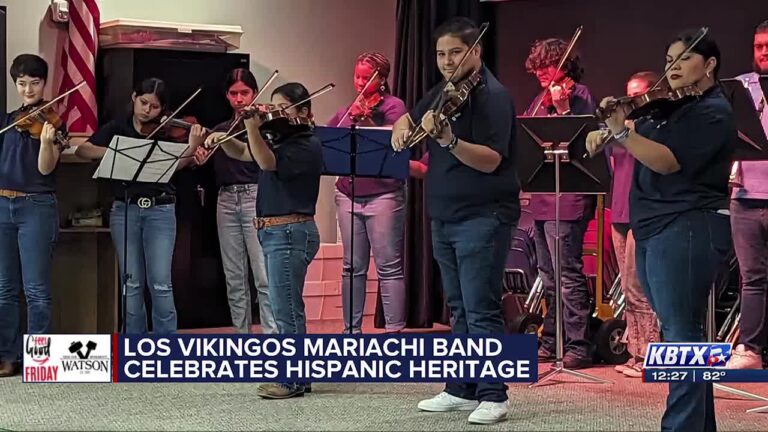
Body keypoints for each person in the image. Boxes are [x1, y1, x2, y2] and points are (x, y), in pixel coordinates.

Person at [587, 29, 734, 431]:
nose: (673, 67)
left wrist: (621, 132)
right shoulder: (665, 108)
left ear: (710, 65)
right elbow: (638, 141)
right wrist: (613, 131)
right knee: (680, 333)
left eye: (683, 59)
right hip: (654, 225)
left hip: (687, 224)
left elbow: (668, 162)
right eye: (669, 59)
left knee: (682, 336)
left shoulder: (713, 111)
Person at [391, 17, 519, 425]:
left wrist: (448, 140)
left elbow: (492, 159)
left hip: (484, 214)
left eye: (455, 53)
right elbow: (410, 117)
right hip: (445, 214)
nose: (447, 61)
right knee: (460, 308)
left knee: (481, 309)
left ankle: (494, 395)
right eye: (441, 54)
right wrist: (401, 126)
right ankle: (461, 388)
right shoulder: (443, 91)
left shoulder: (494, 97)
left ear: (475, 52)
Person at [212, 82, 322, 399]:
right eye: (271, 107)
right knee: (289, 308)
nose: (274, 113)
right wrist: (224, 142)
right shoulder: (282, 139)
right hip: (276, 231)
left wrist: (250, 125)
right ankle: (300, 376)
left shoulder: (306, 143)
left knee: (284, 309)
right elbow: (247, 153)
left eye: (282, 108)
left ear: (304, 112)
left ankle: (290, 380)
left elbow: (264, 161)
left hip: (289, 231)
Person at [75, 78, 204, 334]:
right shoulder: (118, 127)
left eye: (154, 107)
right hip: (125, 210)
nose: (147, 110)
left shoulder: (169, 130)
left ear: (163, 109)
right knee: (131, 282)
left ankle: (166, 348)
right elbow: (83, 150)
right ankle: (133, 346)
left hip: (161, 210)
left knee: (160, 283)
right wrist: (117, 151)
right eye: (143, 102)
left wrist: (192, 148)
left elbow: (177, 166)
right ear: (134, 97)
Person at [523, 38, 596, 369]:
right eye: (536, 66)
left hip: (567, 200)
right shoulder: (539, 99)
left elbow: (583, 146)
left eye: (546, 65)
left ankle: (579, 345)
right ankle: (552, 339)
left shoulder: (580, 96)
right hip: (541, 198)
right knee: (547, 276)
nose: (539, 72)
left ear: (564, 66)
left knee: (567, 274)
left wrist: (564, 109)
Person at [328, 52, 408, 334]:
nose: (360, 82)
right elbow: (331, 138)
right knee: (352, 266)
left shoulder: (394, 106)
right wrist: (351, 117)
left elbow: (396, 141)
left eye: (367, 77)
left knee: (388, 265)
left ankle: (394, 332)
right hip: (349, 194)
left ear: (382, 79)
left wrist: (370, 122)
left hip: (383, 195)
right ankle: (351, 331)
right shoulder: (351, 107)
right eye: (357, 76)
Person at [193, 68, 276, 335]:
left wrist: (257, 126)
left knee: (262, 275)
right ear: (227, 96)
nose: (239, 99)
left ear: (254, 93)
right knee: (234, 276)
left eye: (245, 93)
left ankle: (272, 337)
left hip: (255, 197)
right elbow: (204, 162)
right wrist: (200, 154)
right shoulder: (219, 130)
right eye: (233, 94)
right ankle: (242, 338)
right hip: (226, 200)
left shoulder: (263, 127)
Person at [0, 54, 65, 377]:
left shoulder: (52, 122)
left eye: (35, 83)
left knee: (36, 289)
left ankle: (38, 361)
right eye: (22, 83)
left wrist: (47, 142)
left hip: (36, 206)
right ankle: (8, 357)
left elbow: (45, 168)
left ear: (44, 83)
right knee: (4, 288)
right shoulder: (7, 120)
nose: (28, 89)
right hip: (2, 205)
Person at [609, 72, 661, 378]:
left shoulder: (653, 128)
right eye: (627, 95)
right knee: (628, 290)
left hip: (642, 214)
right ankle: (635, 351)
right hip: (619, 212)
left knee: (639, 287)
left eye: (637, 95)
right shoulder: (621, 130)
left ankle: (649, 354)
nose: (630, 101)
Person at [726, 19, 768, 370]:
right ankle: (750, 350)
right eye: (758, 46)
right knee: (752, 277)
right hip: (745, 196)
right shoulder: (741, 86)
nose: (764, 51)